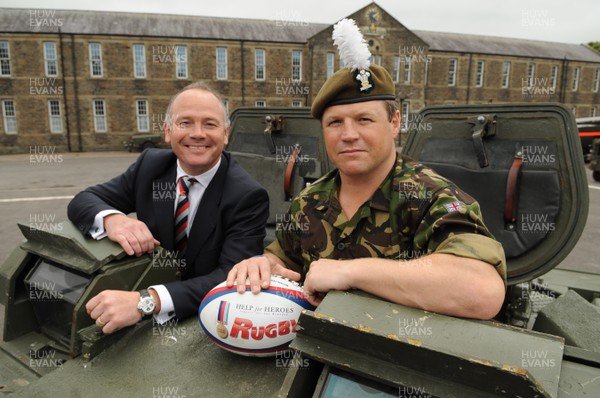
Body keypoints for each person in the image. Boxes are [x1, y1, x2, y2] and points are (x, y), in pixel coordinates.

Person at [226, 19, 506, 320]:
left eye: (364, 120)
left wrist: (351, 272)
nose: (348, 134)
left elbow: (482, 290)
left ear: (395, 122)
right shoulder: (311, 201)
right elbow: (284, 258)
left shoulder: (429, 197)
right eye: (335, 123)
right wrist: (262, 264)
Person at [68, 82, 269, 333]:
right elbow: (84, 200)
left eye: (210, 124)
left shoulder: (247, 195)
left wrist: (146, 301)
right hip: (143, 299)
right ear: (167, 131)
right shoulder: (150, 166)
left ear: (226, 134)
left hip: (204, 319)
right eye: (185, 123)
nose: (197, 133)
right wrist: (113, 220)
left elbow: (231, 276)